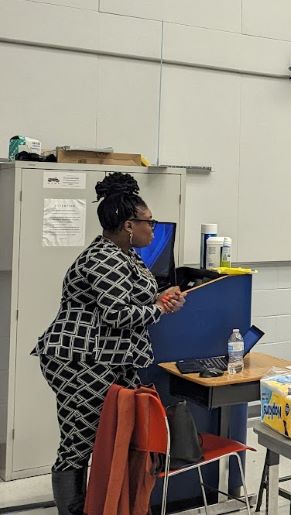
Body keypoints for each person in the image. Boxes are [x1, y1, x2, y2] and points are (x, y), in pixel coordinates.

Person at [34, 173, 186, 514]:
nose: (153, 228)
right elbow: (118, 314)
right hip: (81, 361)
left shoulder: (125, 254)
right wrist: (158, 307)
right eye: (150, 222)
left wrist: (160, 299)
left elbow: (133, 300)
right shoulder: (103, 257)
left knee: (119, 434)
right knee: (80, 441)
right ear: (128, 225)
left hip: (111, 360)